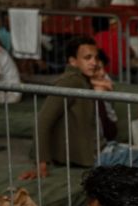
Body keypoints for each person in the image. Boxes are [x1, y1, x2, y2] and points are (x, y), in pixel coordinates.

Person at [22, 37, 110, 180]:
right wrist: (41, 164)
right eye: (88, 58)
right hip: (95, 156)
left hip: (100, 151)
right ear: (73, 61)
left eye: (95, 57)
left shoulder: (82, 80)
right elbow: (44, 120)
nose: (94, 63)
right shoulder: (70, 82)